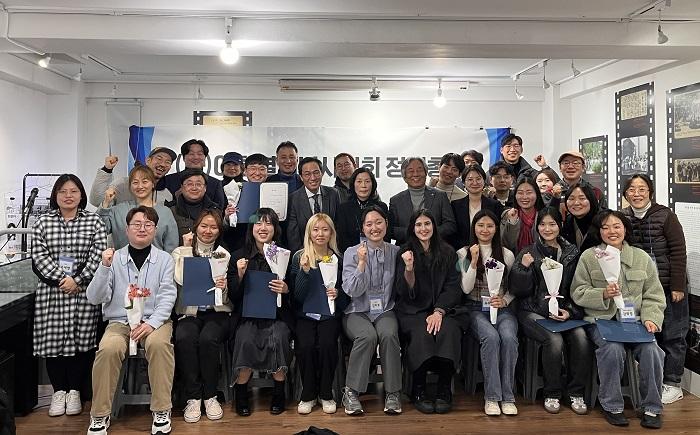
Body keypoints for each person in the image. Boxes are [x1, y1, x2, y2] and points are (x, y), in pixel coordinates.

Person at [85, 205, 176, 435]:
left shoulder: (165, 260)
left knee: (159, 345)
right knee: (108, 349)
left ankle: (162, 409)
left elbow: (168, 297)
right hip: (119, 322)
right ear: (126, 230)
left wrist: (151, 324)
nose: (142, 228)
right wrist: (104, 267)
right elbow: (94, 297)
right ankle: (100, 414)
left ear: (155, 230)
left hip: (155, 321)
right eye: (137, 224)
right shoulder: (113, 258)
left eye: (148, 224)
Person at [571, 210, 666, 429]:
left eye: (616, 226)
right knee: (612, 349)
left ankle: (652, 407)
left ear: (625, 229)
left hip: (635, 322)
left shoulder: (641, 258)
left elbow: (654, 295)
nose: (611, 231)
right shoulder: (589, 257)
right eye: (605, 227)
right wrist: (603, 294)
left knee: (652, 351)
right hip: (601, 321)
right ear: (599, 232)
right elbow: (578, 292)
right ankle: (612, 405)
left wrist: (651, 319)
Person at [31, 174, 107, 417]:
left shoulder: (94, 221)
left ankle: (75, 391)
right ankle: (58, 392)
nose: (68, 196)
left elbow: (98, 254)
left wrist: (78, 280)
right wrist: (62, 280)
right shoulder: (43, 222)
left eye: (73, 191)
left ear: (81, 195)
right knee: (52, 343)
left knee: (81, 341)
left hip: (83, 292)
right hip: (52, 292)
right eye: (63, 191)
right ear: (55, 195)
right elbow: (39, 256)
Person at [509, 207, 591, 415]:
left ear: (559, 226)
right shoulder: (528, 252)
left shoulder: (572, 253)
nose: (547, 229)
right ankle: (552, 392)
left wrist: (569, 312)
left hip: (563, 312)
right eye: (543, 224)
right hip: (532, 311)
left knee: (581, 338)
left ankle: (576, 392)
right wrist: (524, 268)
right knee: (554, 340)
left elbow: (577, 287)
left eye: (552, 224)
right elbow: (518, 290)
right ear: (537, 227)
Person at [622, 174, 688, 405]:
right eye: (632, 189)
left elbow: (678, 250)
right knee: (651, 334)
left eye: (642, 189)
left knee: (674, 335)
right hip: (643, 289)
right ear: (625, 193)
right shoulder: (624, 217)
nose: (637, 194)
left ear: (650, 191)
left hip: (668, 286)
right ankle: (654, 381)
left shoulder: (665, 215)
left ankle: (673, 383)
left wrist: (677, 285)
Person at [227, 208, 294, 416]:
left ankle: (279, 393)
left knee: (279, 338)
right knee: (245, 339)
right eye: (258, 223)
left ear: (275, 229)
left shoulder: (284, 255)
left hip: (277, 316)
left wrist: (286, 289)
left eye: (268, 223)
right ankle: (241, 393)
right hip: (247, 316)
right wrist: (240, 275)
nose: (263, 228)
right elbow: (233, 296)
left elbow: (296, 293)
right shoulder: (239, 256)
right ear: (251, 228)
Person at [394, 209, 461, 414]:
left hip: (443, 309)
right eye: (418, 225)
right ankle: (419, 388)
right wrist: (409, 268)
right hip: (413, 310)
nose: (423, 229)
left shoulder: (448, 252)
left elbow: (453, 287)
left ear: (434, 226)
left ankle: (444, 389)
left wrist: (439, 311)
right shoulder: (404, 252)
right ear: (412, 228)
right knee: (422, 332)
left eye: (427, 224)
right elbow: (403, 291)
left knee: (449, 330)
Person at [455, 209, 518, 416]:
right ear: (474, 228)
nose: (485, 230)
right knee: (491, 337)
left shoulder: (506, 254)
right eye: (480, 225)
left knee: (509, 338)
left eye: (490, 226)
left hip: (502, 309)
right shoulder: (463, 253)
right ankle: (492, 397)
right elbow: (465, 289)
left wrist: (505, 300)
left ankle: (508, 397)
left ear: (496, 228)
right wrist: (473, 262)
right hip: (475, 308)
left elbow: (514, 286)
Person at [341, 205, 402, 415]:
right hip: (356, 311)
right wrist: (361, 263)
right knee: (367, 336)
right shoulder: (351, 252)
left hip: (385, 310)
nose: (374, 228)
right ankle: (351, 391)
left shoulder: (396, 252)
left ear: (386, 224)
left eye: (378, 222)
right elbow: (351, 290)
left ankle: (393, 392)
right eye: (369, 224)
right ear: (363, 228)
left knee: (389, 334)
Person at [172, 210, 232, 423]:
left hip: (216, 313)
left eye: (213, 227)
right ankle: (193, 397)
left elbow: (226, 298)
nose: (208, 231)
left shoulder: (223, 255)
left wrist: (223, 287)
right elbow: (180, 278)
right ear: (196, 228)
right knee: (185, 337)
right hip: (189, 313)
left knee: (208, 339)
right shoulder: (180, 251)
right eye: (204, 226)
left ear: (219, 231)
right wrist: (187, 249)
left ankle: (210, 395)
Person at [288, 213, 350, 415]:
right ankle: (308, 394)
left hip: (329, 316)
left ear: (331, 233)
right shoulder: (299, 257)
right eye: (315, 229)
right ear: (309, 233)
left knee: (327, 344)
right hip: (305, 315)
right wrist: (304, 272)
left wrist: (338, 294)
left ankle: (326, 393)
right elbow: (297, 297)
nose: (320, 234)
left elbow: (345, 299)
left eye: (325, 229)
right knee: (305, 345)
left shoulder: (338, 258)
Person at [98, 165, 178, 253]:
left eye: (145, 182)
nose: (140, 186)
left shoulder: (165, 212)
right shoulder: (118, 210)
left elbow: (171, 246)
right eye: (135, 182)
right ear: (130, 186)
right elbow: (100, 230)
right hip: (122, 260)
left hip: (158, 261)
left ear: (153, 184)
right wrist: (106, 203)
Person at [389, 157, 456, 245]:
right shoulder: (396, 200)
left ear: (426, 173)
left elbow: (450, 225)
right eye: (411, 171)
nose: (416, 174)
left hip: (436, 248)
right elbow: (391, 230)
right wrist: (414, 233)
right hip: (406, 249)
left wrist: (429, 233)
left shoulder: (440, 196)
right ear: (404, 177)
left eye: (419, 170)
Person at [286, 157, 341, 252]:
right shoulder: (293, 199)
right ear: (301, 177)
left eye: (316, 173)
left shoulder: (333, 194)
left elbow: (338, 226)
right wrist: (305, 255)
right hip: (304, 253)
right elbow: (293, 236)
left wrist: (331, 253)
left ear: (322, 173)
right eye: (307, 174)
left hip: (330, 252)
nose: (313, 178)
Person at [89, 147, 176, 207]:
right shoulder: (123, 184)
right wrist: (107, 169)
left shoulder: (167, 195)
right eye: (159, 159)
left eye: (168, 162)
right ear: (148, 161)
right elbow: (97, 201)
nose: (162, 164)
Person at [222, 153, 269, 253]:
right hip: (238, 246)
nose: (257, 173)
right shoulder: (233, 190)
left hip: (267, 247)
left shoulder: (275, 191)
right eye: (253, 168)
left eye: (262, 169)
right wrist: (227, 217)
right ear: (245, 171)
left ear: (267, 172)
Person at [335, 168, 389, 253]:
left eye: (367, 181)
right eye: (359, 181)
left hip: (379, 253)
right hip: (351, 255)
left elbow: (387, 235)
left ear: (373, 184)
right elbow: (341, 238)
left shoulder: (382, 207)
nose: (363, 185)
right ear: (353, 184)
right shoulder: (343, 208)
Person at [451, 164, 504, 250]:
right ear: (464, 183)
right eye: (470, 179)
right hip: (462, 251)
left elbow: (498, 232)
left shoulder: (495, 205)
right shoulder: (455, 206)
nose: (475, 183)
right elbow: (453, 233)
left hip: (489, 251)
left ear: (484, 181)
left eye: (478, 179)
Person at [163, 139, 227, 209]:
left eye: (200, 154)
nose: (196, 157)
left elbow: (220, 210)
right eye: (191, 154)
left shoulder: (215, 183)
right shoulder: (168, 180)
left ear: (205, 158)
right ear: (184, 158)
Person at [170, 168, 222, 244]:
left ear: (205, 188)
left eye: (198, 184)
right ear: (182, 187)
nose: (194, 188)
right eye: (189, 184)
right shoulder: (171, 210)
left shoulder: (215, 209)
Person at [501, 177, 545, 253]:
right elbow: (507, 245)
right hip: (515, 258)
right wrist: (512, 223)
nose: (524, 197)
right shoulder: (507, 215)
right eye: (520, 193)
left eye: (529, 192)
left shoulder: (544, 216)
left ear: (537, 194)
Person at [561, 183, 600, 253]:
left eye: (582, 198)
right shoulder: (568, 221)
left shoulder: (604, 220)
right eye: (571, 199)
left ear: (591, 199)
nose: (576, 203)